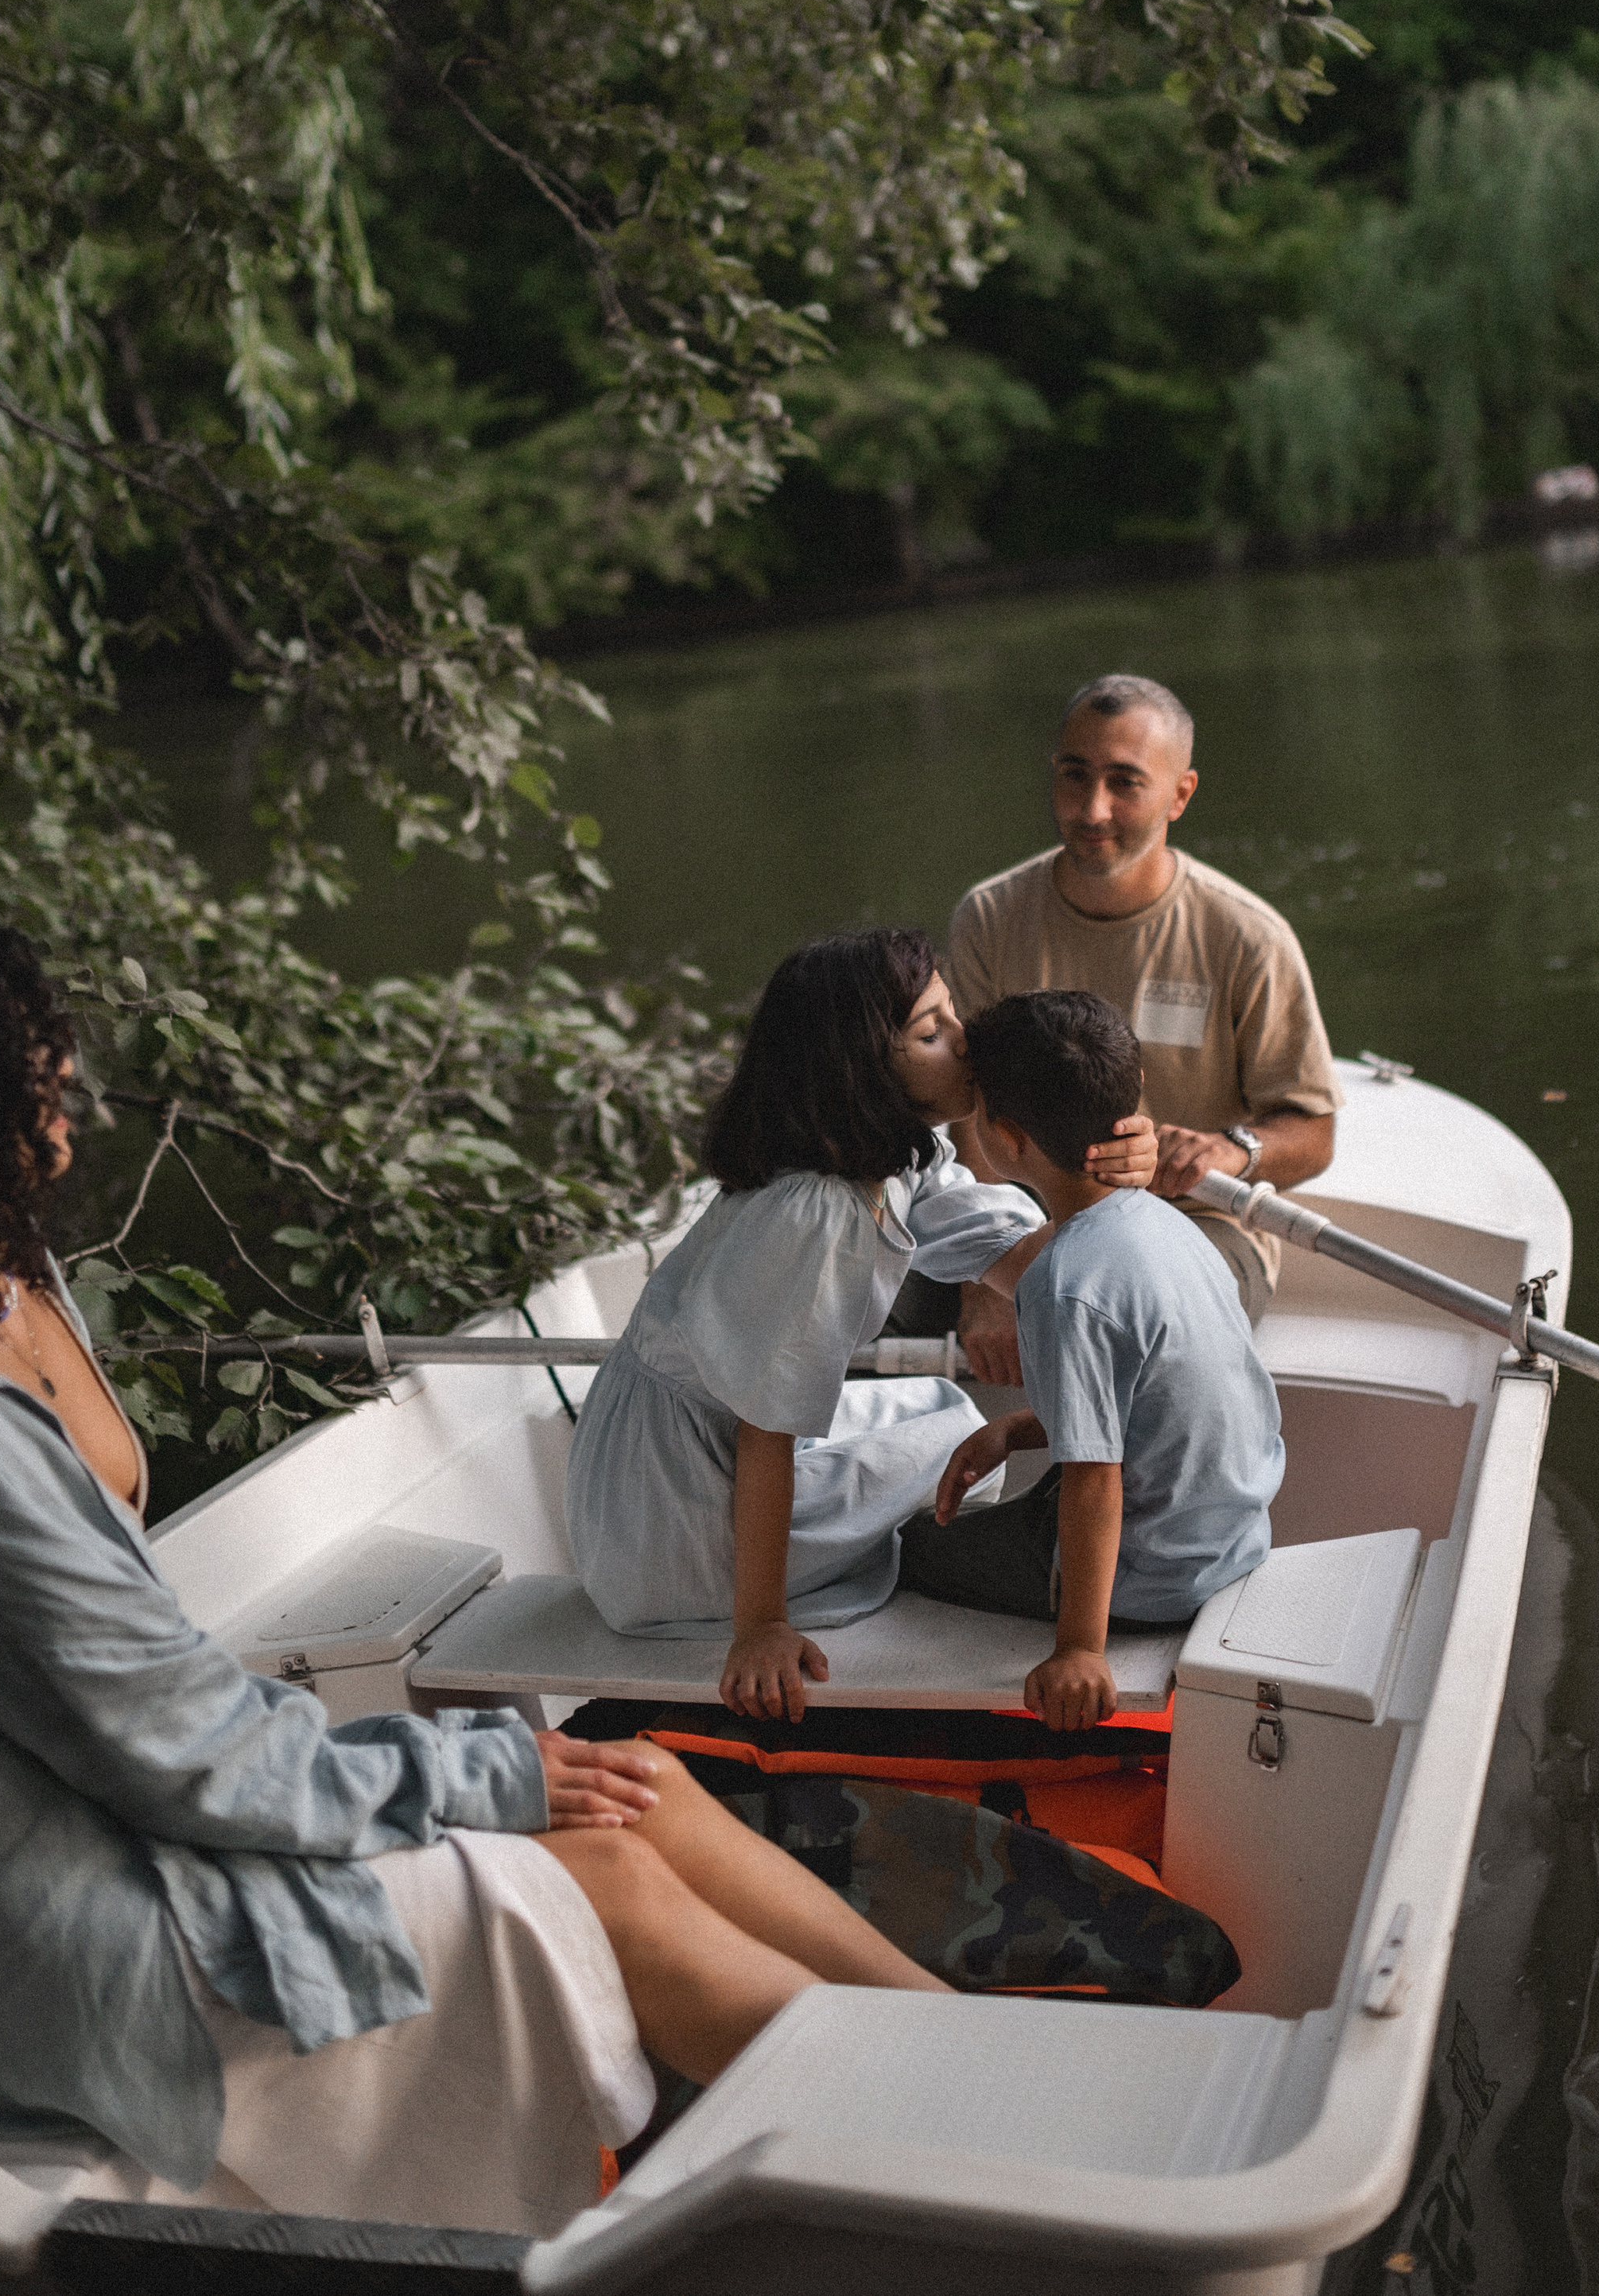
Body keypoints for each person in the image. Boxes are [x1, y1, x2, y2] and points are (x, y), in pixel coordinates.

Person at [0, 914, 946, 2240]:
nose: (68, 1102)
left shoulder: (11, 1279)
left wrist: (487, 1768)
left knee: (643, 1779)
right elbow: (179, 1749)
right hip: (89, 1925)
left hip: (146, 1806)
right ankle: (973, 2141)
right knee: (599, 1870)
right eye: (34, 1078)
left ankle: (953, 2043)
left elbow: (158, 1719)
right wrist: (487, 1769)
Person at [566, 929, 1074, 1723]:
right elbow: (764, 1427)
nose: (964, 1040)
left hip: (681, 1459)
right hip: (670, 1524)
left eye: (951, 1015)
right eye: (930, 1031)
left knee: (941, 1408)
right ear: (860, 1067)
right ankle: (778, 1590)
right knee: (950, 1439)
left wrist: (1098, 1183)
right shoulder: (819, 1212)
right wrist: (760, 1626)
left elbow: (1030, 1262)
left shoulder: (895, 1156)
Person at [898, 992, 1283, 1735]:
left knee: (911, 1549)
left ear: (1008, 1141)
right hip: (1228, 1533)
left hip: (1155, 1577)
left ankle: (1072, 1612)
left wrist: (1080, 1648)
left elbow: (1094, 1479)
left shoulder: (1065, 1282)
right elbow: (1156, 1395)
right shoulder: (1167, 1226)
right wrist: (1018, 1429)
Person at [944, 670, 1341, 1355]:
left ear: (1180, 794)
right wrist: (985, 1283)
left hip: (1195, 1222)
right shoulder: (990, 916)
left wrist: (1232, 1150)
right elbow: (966, 1115)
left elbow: (1315, 1133)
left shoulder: (1247, 936)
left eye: (1124, 783)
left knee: (1133, 1318)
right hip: (1030, 1215)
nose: (1091, 809)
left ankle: (1092, 1462)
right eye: (1075, 776)